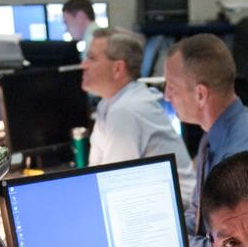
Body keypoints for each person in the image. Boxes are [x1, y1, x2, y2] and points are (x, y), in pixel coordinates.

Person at [163, 34, 248, 247]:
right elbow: (198, 216)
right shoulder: (212, 139)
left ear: (200, 94)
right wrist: (164, 234)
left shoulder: (241, 158)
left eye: (172, 87)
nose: (166, 96)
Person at [81, 28, 196, 207]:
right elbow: (96, 174)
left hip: (176, 213)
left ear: (118, 68)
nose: (83, 65)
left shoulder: (127, 110)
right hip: (154, 204)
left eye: (92, 58)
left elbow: (112, 187)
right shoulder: (111, 103)